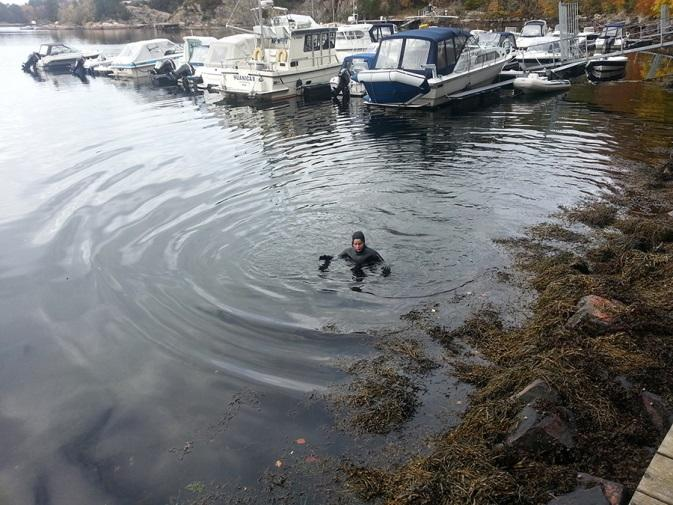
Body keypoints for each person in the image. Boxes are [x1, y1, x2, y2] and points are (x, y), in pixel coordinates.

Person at [319, 231, 390, 276]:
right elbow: (337, 257)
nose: (358, 246)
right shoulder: (348, 251)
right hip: (354, 267)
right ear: (352, 244)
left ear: (364, 243)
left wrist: (385, 271)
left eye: (360, 244)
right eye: (355, 244)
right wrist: (328, 259)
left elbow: (383, 263)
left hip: (368, 268)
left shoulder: (372, 253)